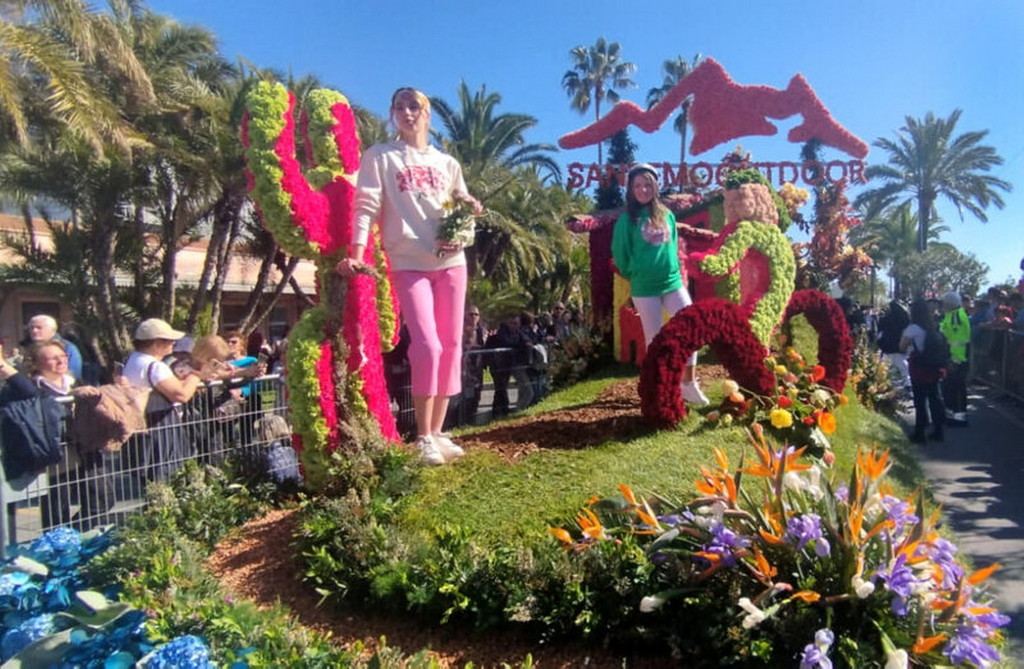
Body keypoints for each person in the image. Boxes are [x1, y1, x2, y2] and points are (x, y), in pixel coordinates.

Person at [337, 86, 482, 466]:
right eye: (399, 106)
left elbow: (464, 208)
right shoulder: (381, 156)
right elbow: (366, 205)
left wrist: (464, 231)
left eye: (414, 105)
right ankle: (422, 436)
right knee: (427, 345)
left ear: (427, 113)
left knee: (451, 344)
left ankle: (438, 432)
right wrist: (356, 253)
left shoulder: (447, 163)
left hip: (452, 263)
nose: (406, 112)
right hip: (407, 261)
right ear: (392, 114)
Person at [611, 163, 709, 406]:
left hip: (672, 283)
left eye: (647, 184)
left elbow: (672, 245)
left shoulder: (667, 215)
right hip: (645, 288)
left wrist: (672, 269)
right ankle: (659, 389)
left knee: (692, 325)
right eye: (637, 185)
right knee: (654, 341)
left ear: (654, 186)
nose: (642, 189)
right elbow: (620, 254)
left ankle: (688, 384)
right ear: (630, 189)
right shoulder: (626, 220)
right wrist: (636, 273)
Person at [122, 319, 206, 481]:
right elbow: (181, 395)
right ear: (156, 344)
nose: (173, 343)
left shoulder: (132, 359)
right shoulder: (155, 366)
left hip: (142, 424)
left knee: (146, 477)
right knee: (166, 475)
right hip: (160, 426)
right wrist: (195, 376)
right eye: (169, 340)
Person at [900, 300, 945, 443]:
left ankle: (920, 432)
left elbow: (902, 346)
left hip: (919, 366)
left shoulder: (912, 328)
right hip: (933, 365)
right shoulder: (933, 326)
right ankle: (938, 430)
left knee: (920, 400)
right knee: (934, 397)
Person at [939, 292, 971, 427]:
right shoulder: (952, 315)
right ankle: (951, 415)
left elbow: (958, 341)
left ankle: (958, 418)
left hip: (956, 359)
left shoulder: (956, 317)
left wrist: (955, 360)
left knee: (956, 389)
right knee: (950, 389)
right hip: (952, 358)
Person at [22, 315, 84, 381]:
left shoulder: (67, 348)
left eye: (39, 328)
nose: (34, 331)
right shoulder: (26, 347)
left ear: (52, 330)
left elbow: (73, 375)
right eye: (32, 328)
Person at [877, 299, 911, 389]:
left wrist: (880, 343)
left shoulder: (885, 319)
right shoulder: (904, 318)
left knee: (884, 366)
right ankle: (907, 383)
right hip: (898, 346)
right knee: (904, 367)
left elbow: (880, 333)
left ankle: (882, 383)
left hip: (887, 346)